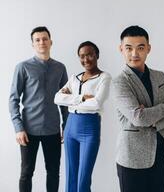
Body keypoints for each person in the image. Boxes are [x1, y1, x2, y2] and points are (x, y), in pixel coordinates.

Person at [113, 25, 164, 192]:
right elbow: (139, 118)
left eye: (140, 48)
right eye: (129, 48)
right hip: (132, 158)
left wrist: (155, 122)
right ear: (121, 49)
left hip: (159, 154)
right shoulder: (120, 82)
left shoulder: (160, 76)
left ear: (148, 49)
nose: (134, 54)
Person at [9, 26, 68, 192]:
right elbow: (13, 99)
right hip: (28, 131)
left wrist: (66, 126)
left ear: (51, 42)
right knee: (27, 173)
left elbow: (65, 100)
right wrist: (18, 128)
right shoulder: (23, 67)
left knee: (53, 172)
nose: (42, 42)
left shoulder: (60, 68)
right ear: (33, 44)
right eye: (37, 40)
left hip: (52, 130)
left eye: (45, 39)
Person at [54, 41, 111, 192]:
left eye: (90, 55)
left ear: (97, 55)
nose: (86, 59)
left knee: (83, 179)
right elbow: (57, 98)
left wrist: (71, 100)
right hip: (70, 127)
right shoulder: (74, 78)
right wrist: (82, 98)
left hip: (89, 128)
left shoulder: (104, 77)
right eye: (82, 56)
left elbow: (97, 103)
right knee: (71, 176)